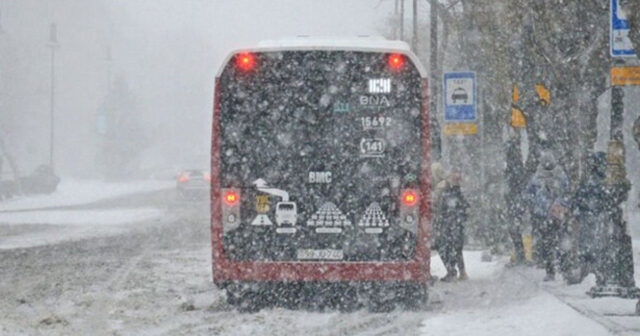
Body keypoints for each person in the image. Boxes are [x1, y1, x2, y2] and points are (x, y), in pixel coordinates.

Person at [523, 151, 569, 281]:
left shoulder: (545, 176)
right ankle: (553, 269)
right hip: (545, 215)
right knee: (550, 243)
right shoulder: (541, 177)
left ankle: (560, 268)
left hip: (554, 214)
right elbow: (529, 195)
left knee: (557, 242)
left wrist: (559, 205)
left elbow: (566, 193)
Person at [569, 152, 608, 285]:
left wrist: (578, 211)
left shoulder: (591, 183)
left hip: (590, 218)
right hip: (596, 219)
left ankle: (589, 270)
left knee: (589, 246)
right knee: (595, 246)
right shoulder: (601, 183)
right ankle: (595, 271)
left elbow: (577, 199)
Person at [434, 172, 470, 282]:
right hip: (455, 225)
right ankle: (459, 272)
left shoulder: (450, 193)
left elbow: (442, 208)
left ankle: (452, 271)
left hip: (450, 225)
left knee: (445, 247)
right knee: (455, 248)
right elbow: (466, 209)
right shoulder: (458, 194)